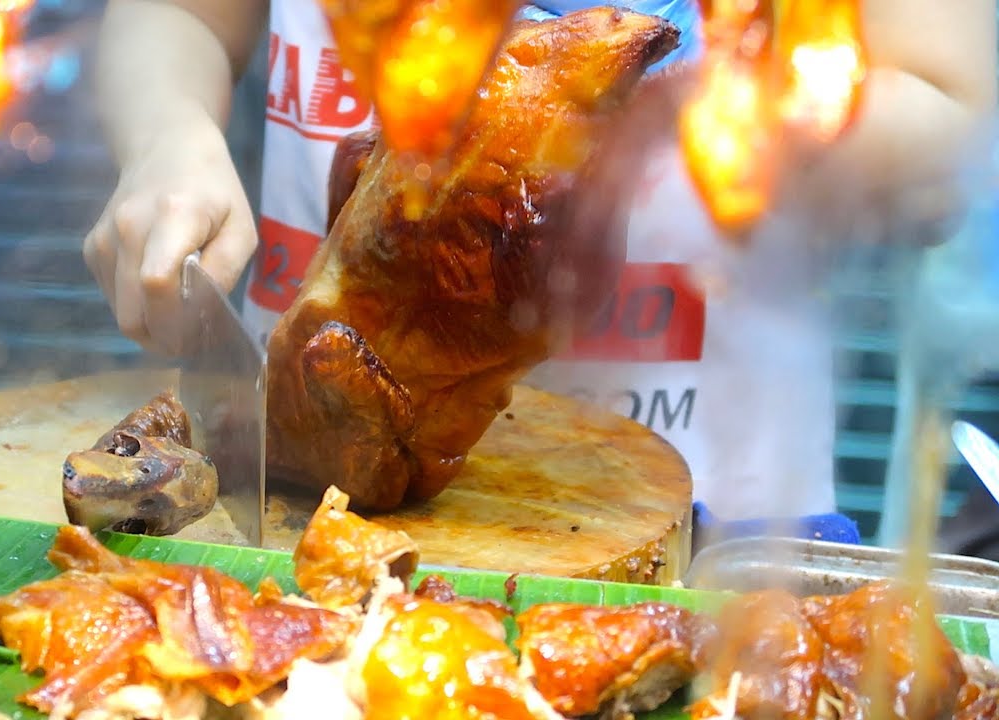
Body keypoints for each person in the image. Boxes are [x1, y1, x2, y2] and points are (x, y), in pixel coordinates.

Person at [84, 0, 997, 521]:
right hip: (288, 486)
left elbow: (947, 106)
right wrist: (166, 130)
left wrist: (705, 121)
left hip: (716, 514)